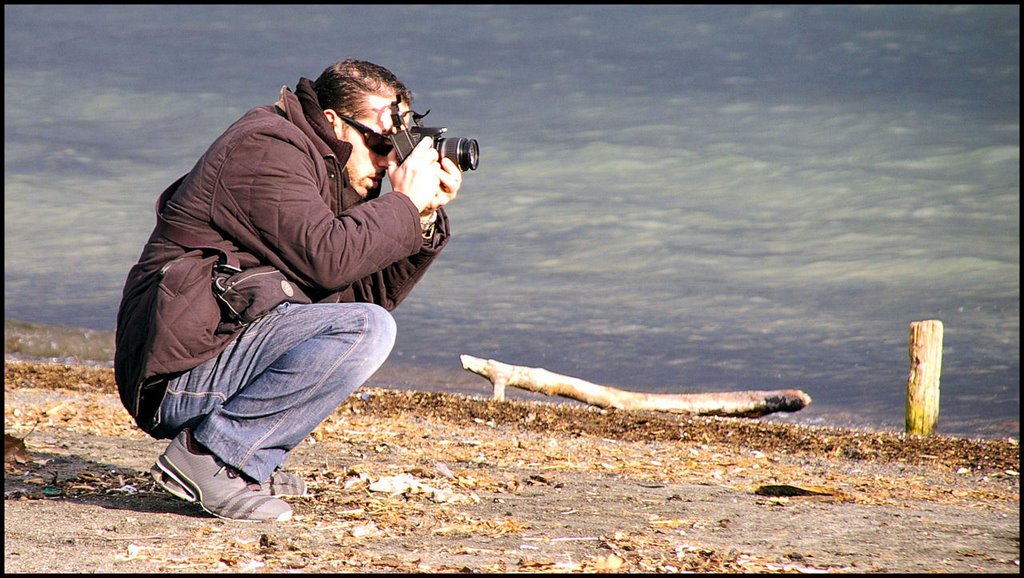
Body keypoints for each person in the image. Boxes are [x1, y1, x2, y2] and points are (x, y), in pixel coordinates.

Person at [114, 59, 462, 522]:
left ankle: (245, 461)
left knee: (362, 325)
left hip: (212, 355)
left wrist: (421, 216)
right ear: (334, 120)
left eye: (397, 146)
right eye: (381, 142)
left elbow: (360, 294)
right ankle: (210, 458)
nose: (387, 161)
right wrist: (403, 203)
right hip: (178, 376)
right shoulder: (265, 147)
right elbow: (331, 260)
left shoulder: (326, 170)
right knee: (366, 330)